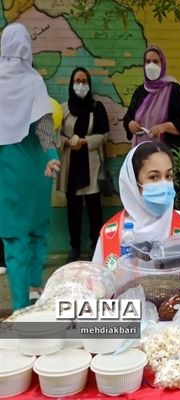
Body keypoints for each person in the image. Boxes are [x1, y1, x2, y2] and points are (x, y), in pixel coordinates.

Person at [0, 23, 61, 310]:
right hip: (37, 167)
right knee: (39, 231)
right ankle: (36, 292)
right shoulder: (34, 80)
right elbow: (44, 125)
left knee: (15, 239)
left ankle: (19, 306)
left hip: (7, 168)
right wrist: (52, 154)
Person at [92, 141, 180, 269]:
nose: (164, 184)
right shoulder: (110, 235)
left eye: (168, 176)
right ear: (133, 183)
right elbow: (97, 283)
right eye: (154, 177)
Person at [57, 67, 110, 262]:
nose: (81, 85)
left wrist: (86, 141)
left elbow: (105, 135)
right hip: (71, 165)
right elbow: (57, 134)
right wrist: (68, 142)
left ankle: (96, 245)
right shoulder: (63, 109)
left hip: (91, 165)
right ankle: (75, 247)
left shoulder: (97, 107)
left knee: (94, 208)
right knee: (74, 209)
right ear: (72, 84)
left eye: (84, 81)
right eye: (77, 81)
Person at [122, 46, 180, 149]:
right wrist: (130, 124)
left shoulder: (174, 90)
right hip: (142, 151)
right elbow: (128, 116)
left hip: (167, 152)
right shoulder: (140, 91)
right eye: (148, 62)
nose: (151, 66)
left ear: (162, 64)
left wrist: (163, 127)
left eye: (155, 61)